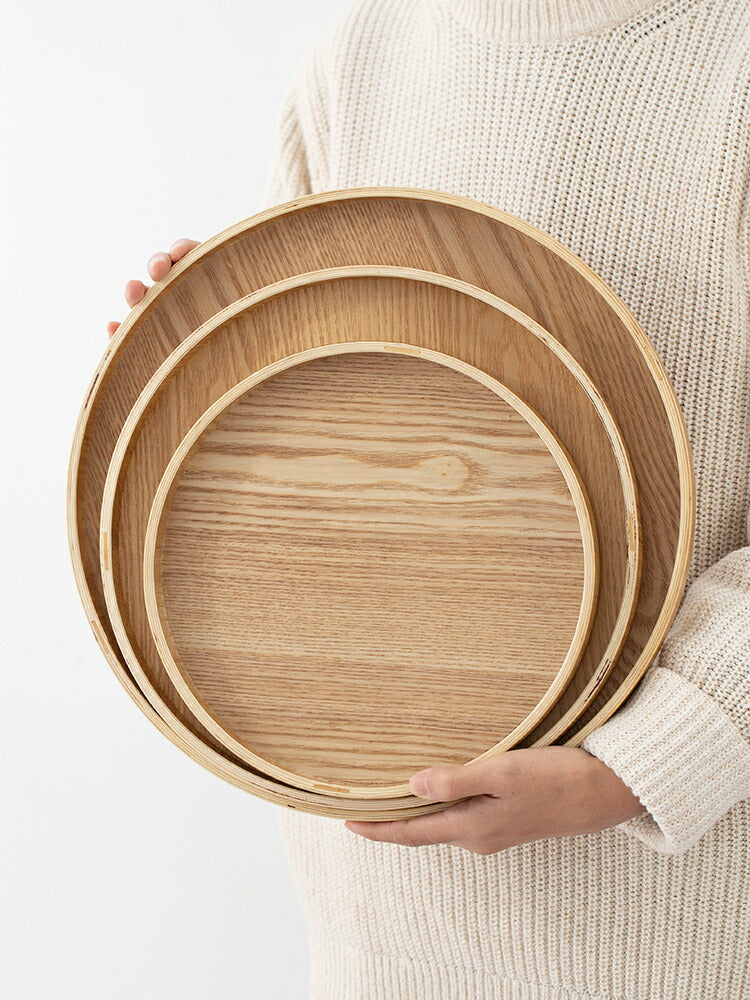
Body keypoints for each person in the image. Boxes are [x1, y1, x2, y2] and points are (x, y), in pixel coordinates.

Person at [107, 0, 750, 995]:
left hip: (675, 930)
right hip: (380, 928)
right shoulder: (361, 54)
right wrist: (187, 379)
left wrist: (641, 764)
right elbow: (314, 460)